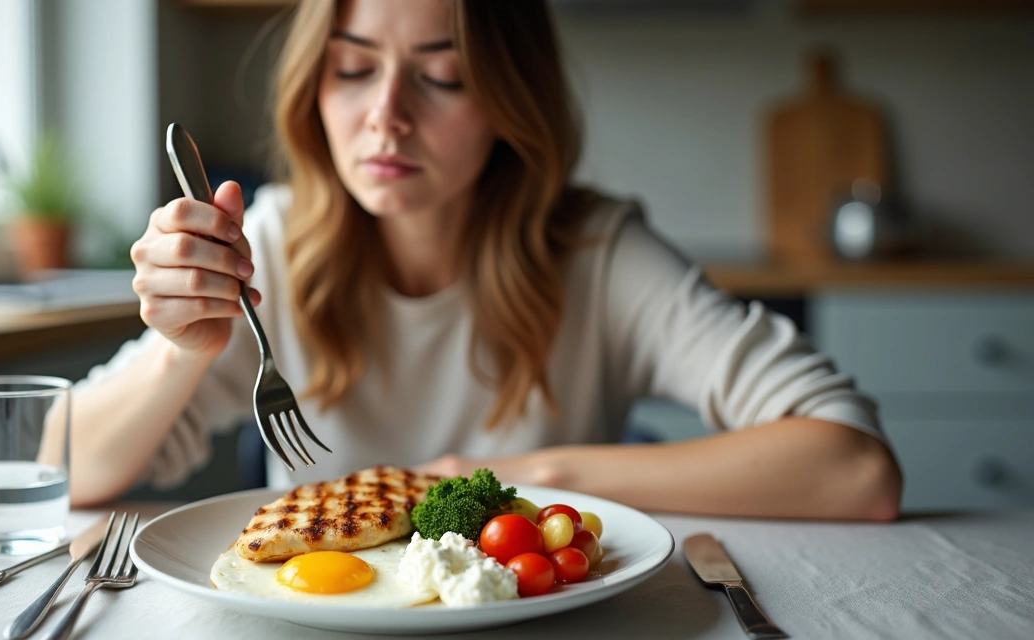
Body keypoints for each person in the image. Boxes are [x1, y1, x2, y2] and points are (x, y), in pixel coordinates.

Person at [68, 0, 902, 520]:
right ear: (312, 88)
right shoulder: (273, 248)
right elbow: (51, 477)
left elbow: (854, 467)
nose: (385, 117)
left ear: (510, 100)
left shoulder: (598, 255)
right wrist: (185, 353)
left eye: (443, 76)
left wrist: (530, 473)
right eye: (353, 69)